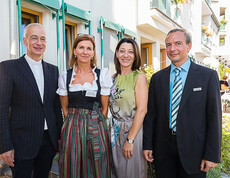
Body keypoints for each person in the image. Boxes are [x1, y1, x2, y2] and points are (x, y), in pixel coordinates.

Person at [143, 29, 222, 178]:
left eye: (178, 44)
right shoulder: (157, 78)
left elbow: (214, 117)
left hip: (195, 152)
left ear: (189, 46)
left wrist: (212, 154)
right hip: (163, 150)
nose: (172, 49)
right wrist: (147, 145)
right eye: (168, 45)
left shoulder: (208, 76)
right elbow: (151, 115)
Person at [0, 23, 63, 178]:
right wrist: (4, 146)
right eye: (34, 38)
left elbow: (56, 108)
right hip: (21, 143)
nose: (39, 43)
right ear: (24, 41)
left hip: (48, 142)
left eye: (43, 39)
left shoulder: (53, 70)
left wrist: (60, 137)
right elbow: (1, 109)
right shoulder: (8, 68)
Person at [57, 34, 112, 178]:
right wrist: (75, 121)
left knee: (97, 166)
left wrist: (94, 122)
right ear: (74, 51)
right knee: (71, 165)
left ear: (93, 53)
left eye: (89, 48)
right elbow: (65, 108)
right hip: (72, 124)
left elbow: (105, 109)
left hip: (96, 124)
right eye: (81, 47)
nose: (85, 51)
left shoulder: (102, 75)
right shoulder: (65, 76)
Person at [109, 38, 148, 178]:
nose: (126, 55)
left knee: (130, 172)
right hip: (114, 133)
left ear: (135, 55)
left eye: (130, 52)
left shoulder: (139, 77)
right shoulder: (113, 78)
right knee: (115, 172)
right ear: (117, 54)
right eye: (122, 51)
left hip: (132, 131)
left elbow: (142, 110)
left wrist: (130, 140)